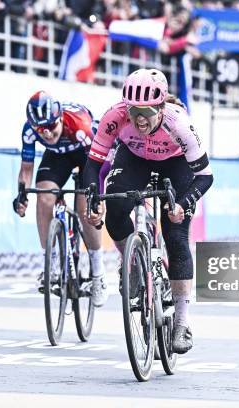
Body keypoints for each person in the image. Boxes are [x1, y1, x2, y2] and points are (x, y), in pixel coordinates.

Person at [83, 68, 214, 354]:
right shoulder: (115, 116)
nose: (139, 119)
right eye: (133, 111)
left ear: (160, 107)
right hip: (135, 158)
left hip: (175, 164)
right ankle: (131, 262)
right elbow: (92, 165)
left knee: (176, 235)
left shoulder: (178, 123)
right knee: (116, 206)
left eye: (145, 111)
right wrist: (95, 201)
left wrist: (183, 203)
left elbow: (205, 176)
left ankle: (182, 322)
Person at [12, 90, 109, 307]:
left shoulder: (80, 125)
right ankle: (52, 265)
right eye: (40, 129)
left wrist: (96, 198)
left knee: (87, 210)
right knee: (44, 198)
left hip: (88, 156)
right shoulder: (30, 130)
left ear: (60, 118)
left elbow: (97, 167)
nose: (46, 134)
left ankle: (98, 273)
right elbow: (26, 169)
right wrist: (21, 194)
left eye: (50, 127)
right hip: (57, 157)